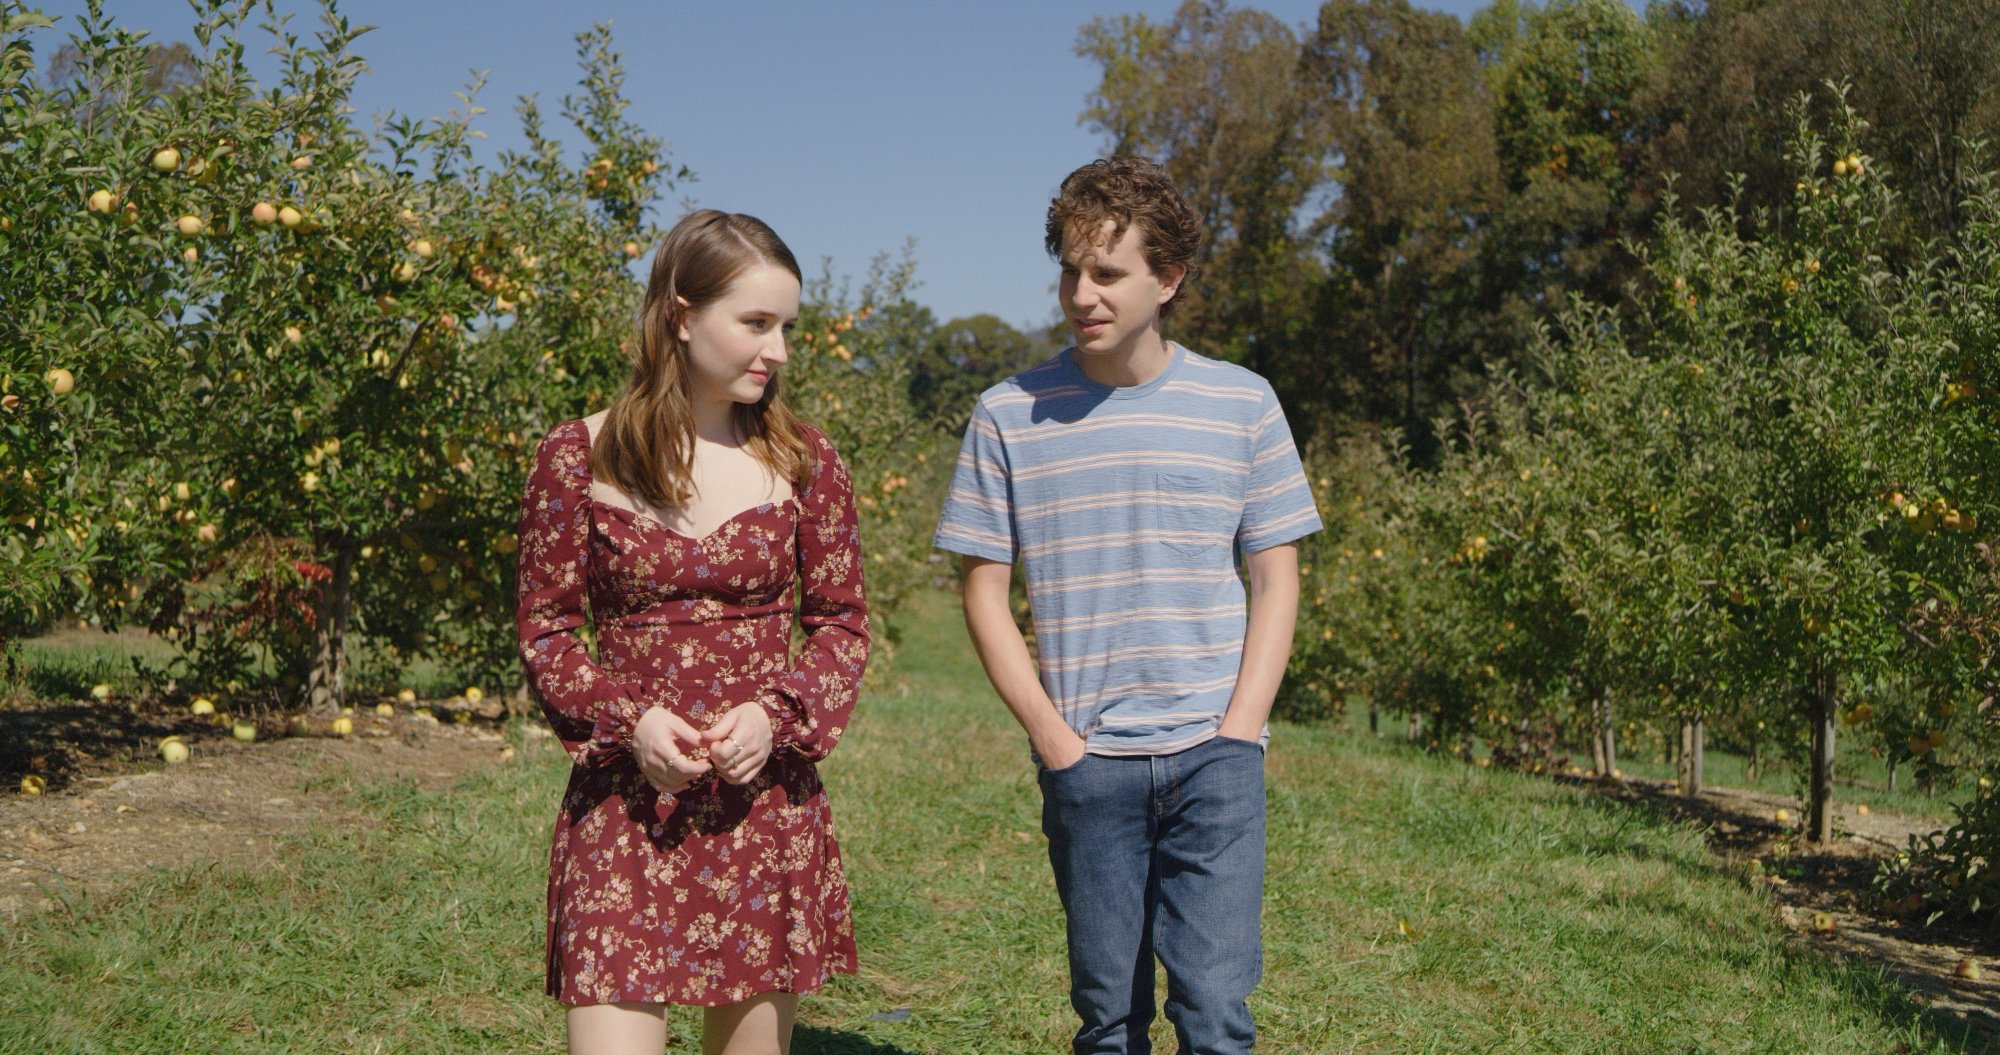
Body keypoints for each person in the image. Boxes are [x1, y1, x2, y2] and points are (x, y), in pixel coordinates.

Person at [933, 156, 1321, 1055]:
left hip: (1213, 759)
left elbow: (1277, 575)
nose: (1081, 293)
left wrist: (1239, 730)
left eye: (1107, 273)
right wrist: (1052, 737)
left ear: (1168, 279)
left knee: (1216, 1017)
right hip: (1088, 762)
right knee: (1108, 1023)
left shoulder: (1243, 405)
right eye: (1070, 270)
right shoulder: (1006, 415)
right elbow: (984, 592)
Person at [516, 209, 869, 1055]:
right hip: (624, 808)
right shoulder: (576, 458)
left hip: (762, 805)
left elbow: (842, 625)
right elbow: (548, 630)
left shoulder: (806, 463)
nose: (778, 349)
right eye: (755, 323)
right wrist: (628, 722)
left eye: (787, 326)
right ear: (680, 314)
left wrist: (773, 717)